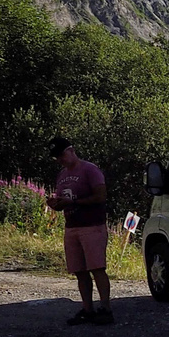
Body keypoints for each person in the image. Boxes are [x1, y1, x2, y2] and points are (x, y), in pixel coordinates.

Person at [45, 138, 113, 325]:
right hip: (72, 226)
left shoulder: (90, 170)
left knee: (97, 268)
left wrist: (74, 202)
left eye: (61, 155)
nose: (60, 159)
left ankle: (106, 308)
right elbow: (64, 199)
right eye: (56, 157)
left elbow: (101, 196)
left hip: (92, 226)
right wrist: (56, 204)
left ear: (71, 150)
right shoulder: (61, 175)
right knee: (79, 271)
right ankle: (87, 309)